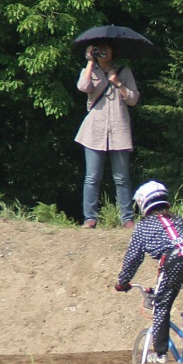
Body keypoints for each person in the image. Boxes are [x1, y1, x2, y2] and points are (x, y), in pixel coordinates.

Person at [114, 181, 183, 363]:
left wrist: (123, 281)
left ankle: (161, 354)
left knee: (162, 306)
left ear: (143, 203)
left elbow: (133, 257)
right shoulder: (178, 219)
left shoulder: (143, 226)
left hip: (172, 260)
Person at [75, 41, 140, 229]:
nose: (102, 52)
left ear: (113, 51)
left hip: (119, 129)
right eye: (98, 49)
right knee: (92, 177)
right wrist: (89, 61)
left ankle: (127, 219)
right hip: (94, 131)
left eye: (106, 49)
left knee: (122, 178)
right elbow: (83, 86)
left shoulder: (124, 71)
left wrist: (117, 82)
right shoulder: (91, 70)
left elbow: (133, 99)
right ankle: (90, 218)